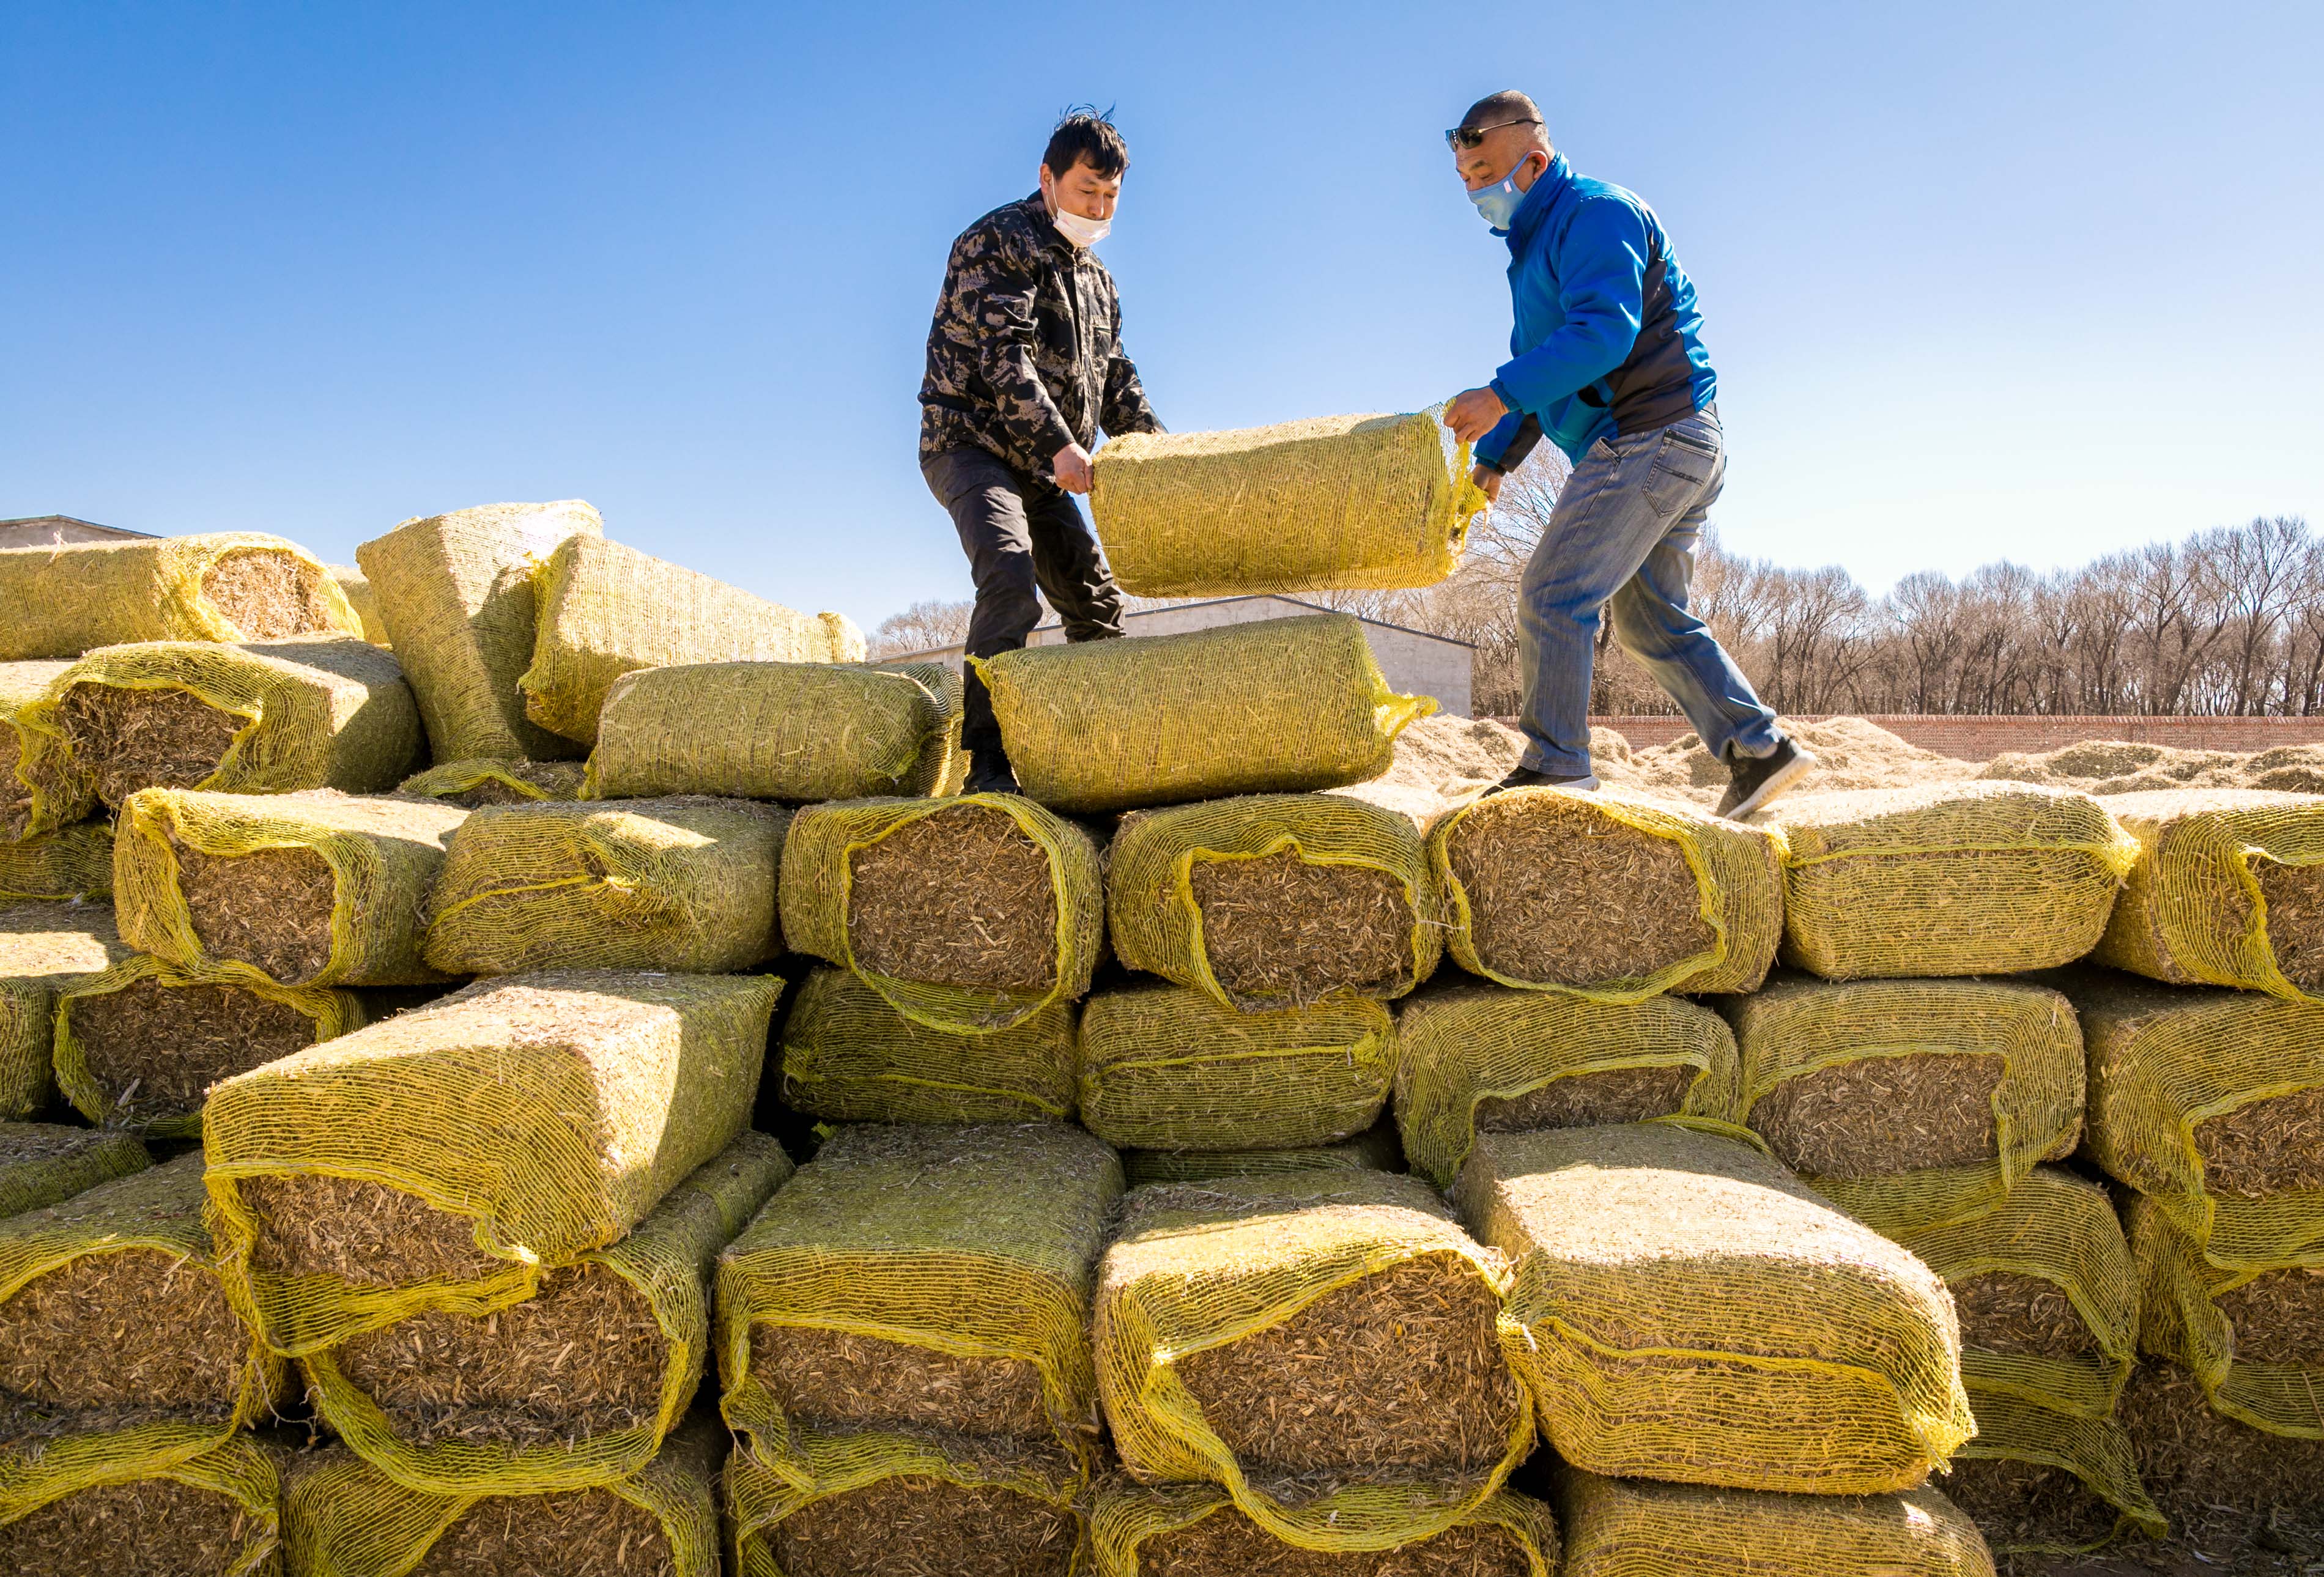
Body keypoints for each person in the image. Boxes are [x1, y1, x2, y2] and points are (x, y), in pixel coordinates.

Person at [1441, 91, 1813, 819]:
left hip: (1650, 434)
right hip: (1674, 445)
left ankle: (1555, 764)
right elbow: (1542, 364)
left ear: (1533, 163)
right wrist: (1493, 461)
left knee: (1554, 592)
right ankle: (1758, 749)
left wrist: (1497, 393)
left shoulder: (1593, 212)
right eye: (1464, 179)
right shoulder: (1533, 249)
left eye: (1484, 172)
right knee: (1648, 621)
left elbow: (1601, 335)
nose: (1475, 189)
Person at [919, 108, 1161, 796]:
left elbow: (1118, 382)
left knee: (1095, 602)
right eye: (1087, 190)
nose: (1099, 208)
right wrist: (1060, 445)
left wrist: (1166, 460)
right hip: (970, 444)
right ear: (1047, 178)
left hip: (1045, 467)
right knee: (1009, 574)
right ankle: (988, 764)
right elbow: (1004, 359)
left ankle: (1109, 756)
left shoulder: (1099, 281)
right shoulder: (998, 241)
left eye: (1110, 195)